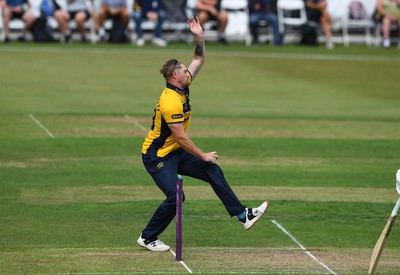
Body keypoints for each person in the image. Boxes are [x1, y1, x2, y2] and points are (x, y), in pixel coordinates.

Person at [137, 16, 269, 252]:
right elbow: (181, 138)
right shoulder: (170, 102)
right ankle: (148, 237)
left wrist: (199, 37)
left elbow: (198, 58)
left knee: (212, 171)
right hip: (157, 156)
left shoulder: (182, 85)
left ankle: (243, 215)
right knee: (176, 198)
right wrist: (203, 154)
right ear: (175, 77)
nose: (189, 73)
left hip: (174, 152)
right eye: (184, 72)